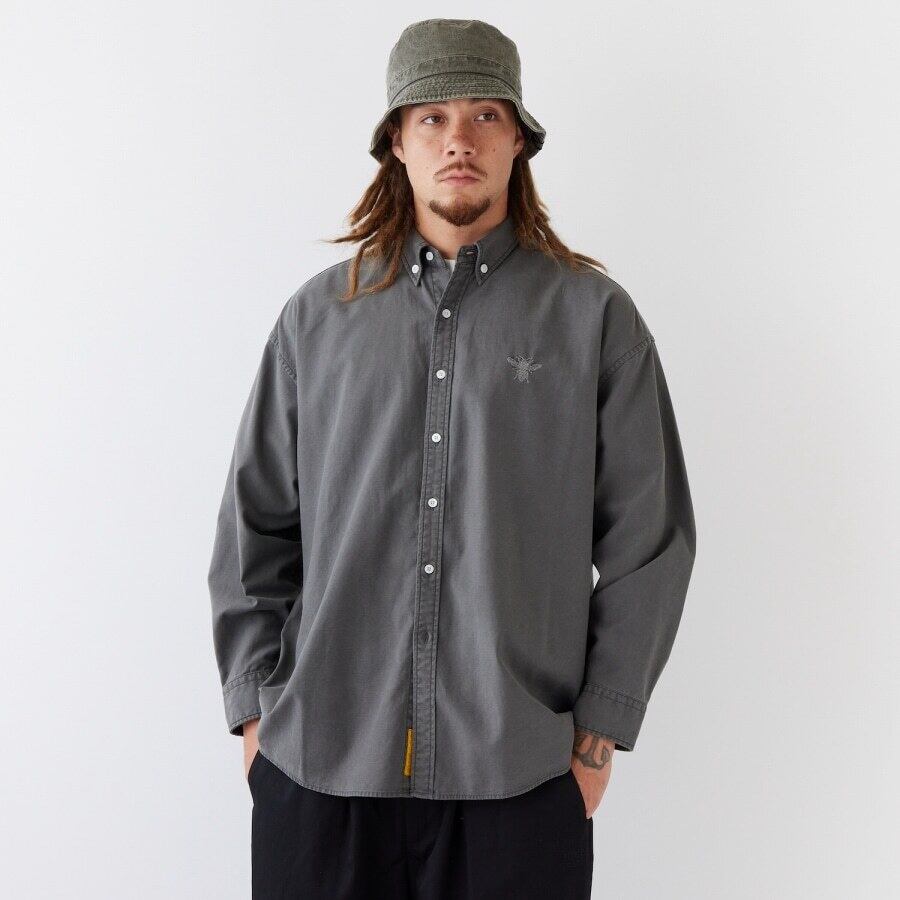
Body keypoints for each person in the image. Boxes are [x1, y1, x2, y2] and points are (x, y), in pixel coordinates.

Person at [207, 17, 696, 899]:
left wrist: (595, 739)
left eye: (483, 116)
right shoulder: (317, 321)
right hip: (319, 770)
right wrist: (254, 716)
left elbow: (647, 541)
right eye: (431, 117)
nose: (458, 140)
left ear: (519, 140)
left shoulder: (594, 320)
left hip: (518, 778)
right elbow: (256, 525)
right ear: (396, 141)